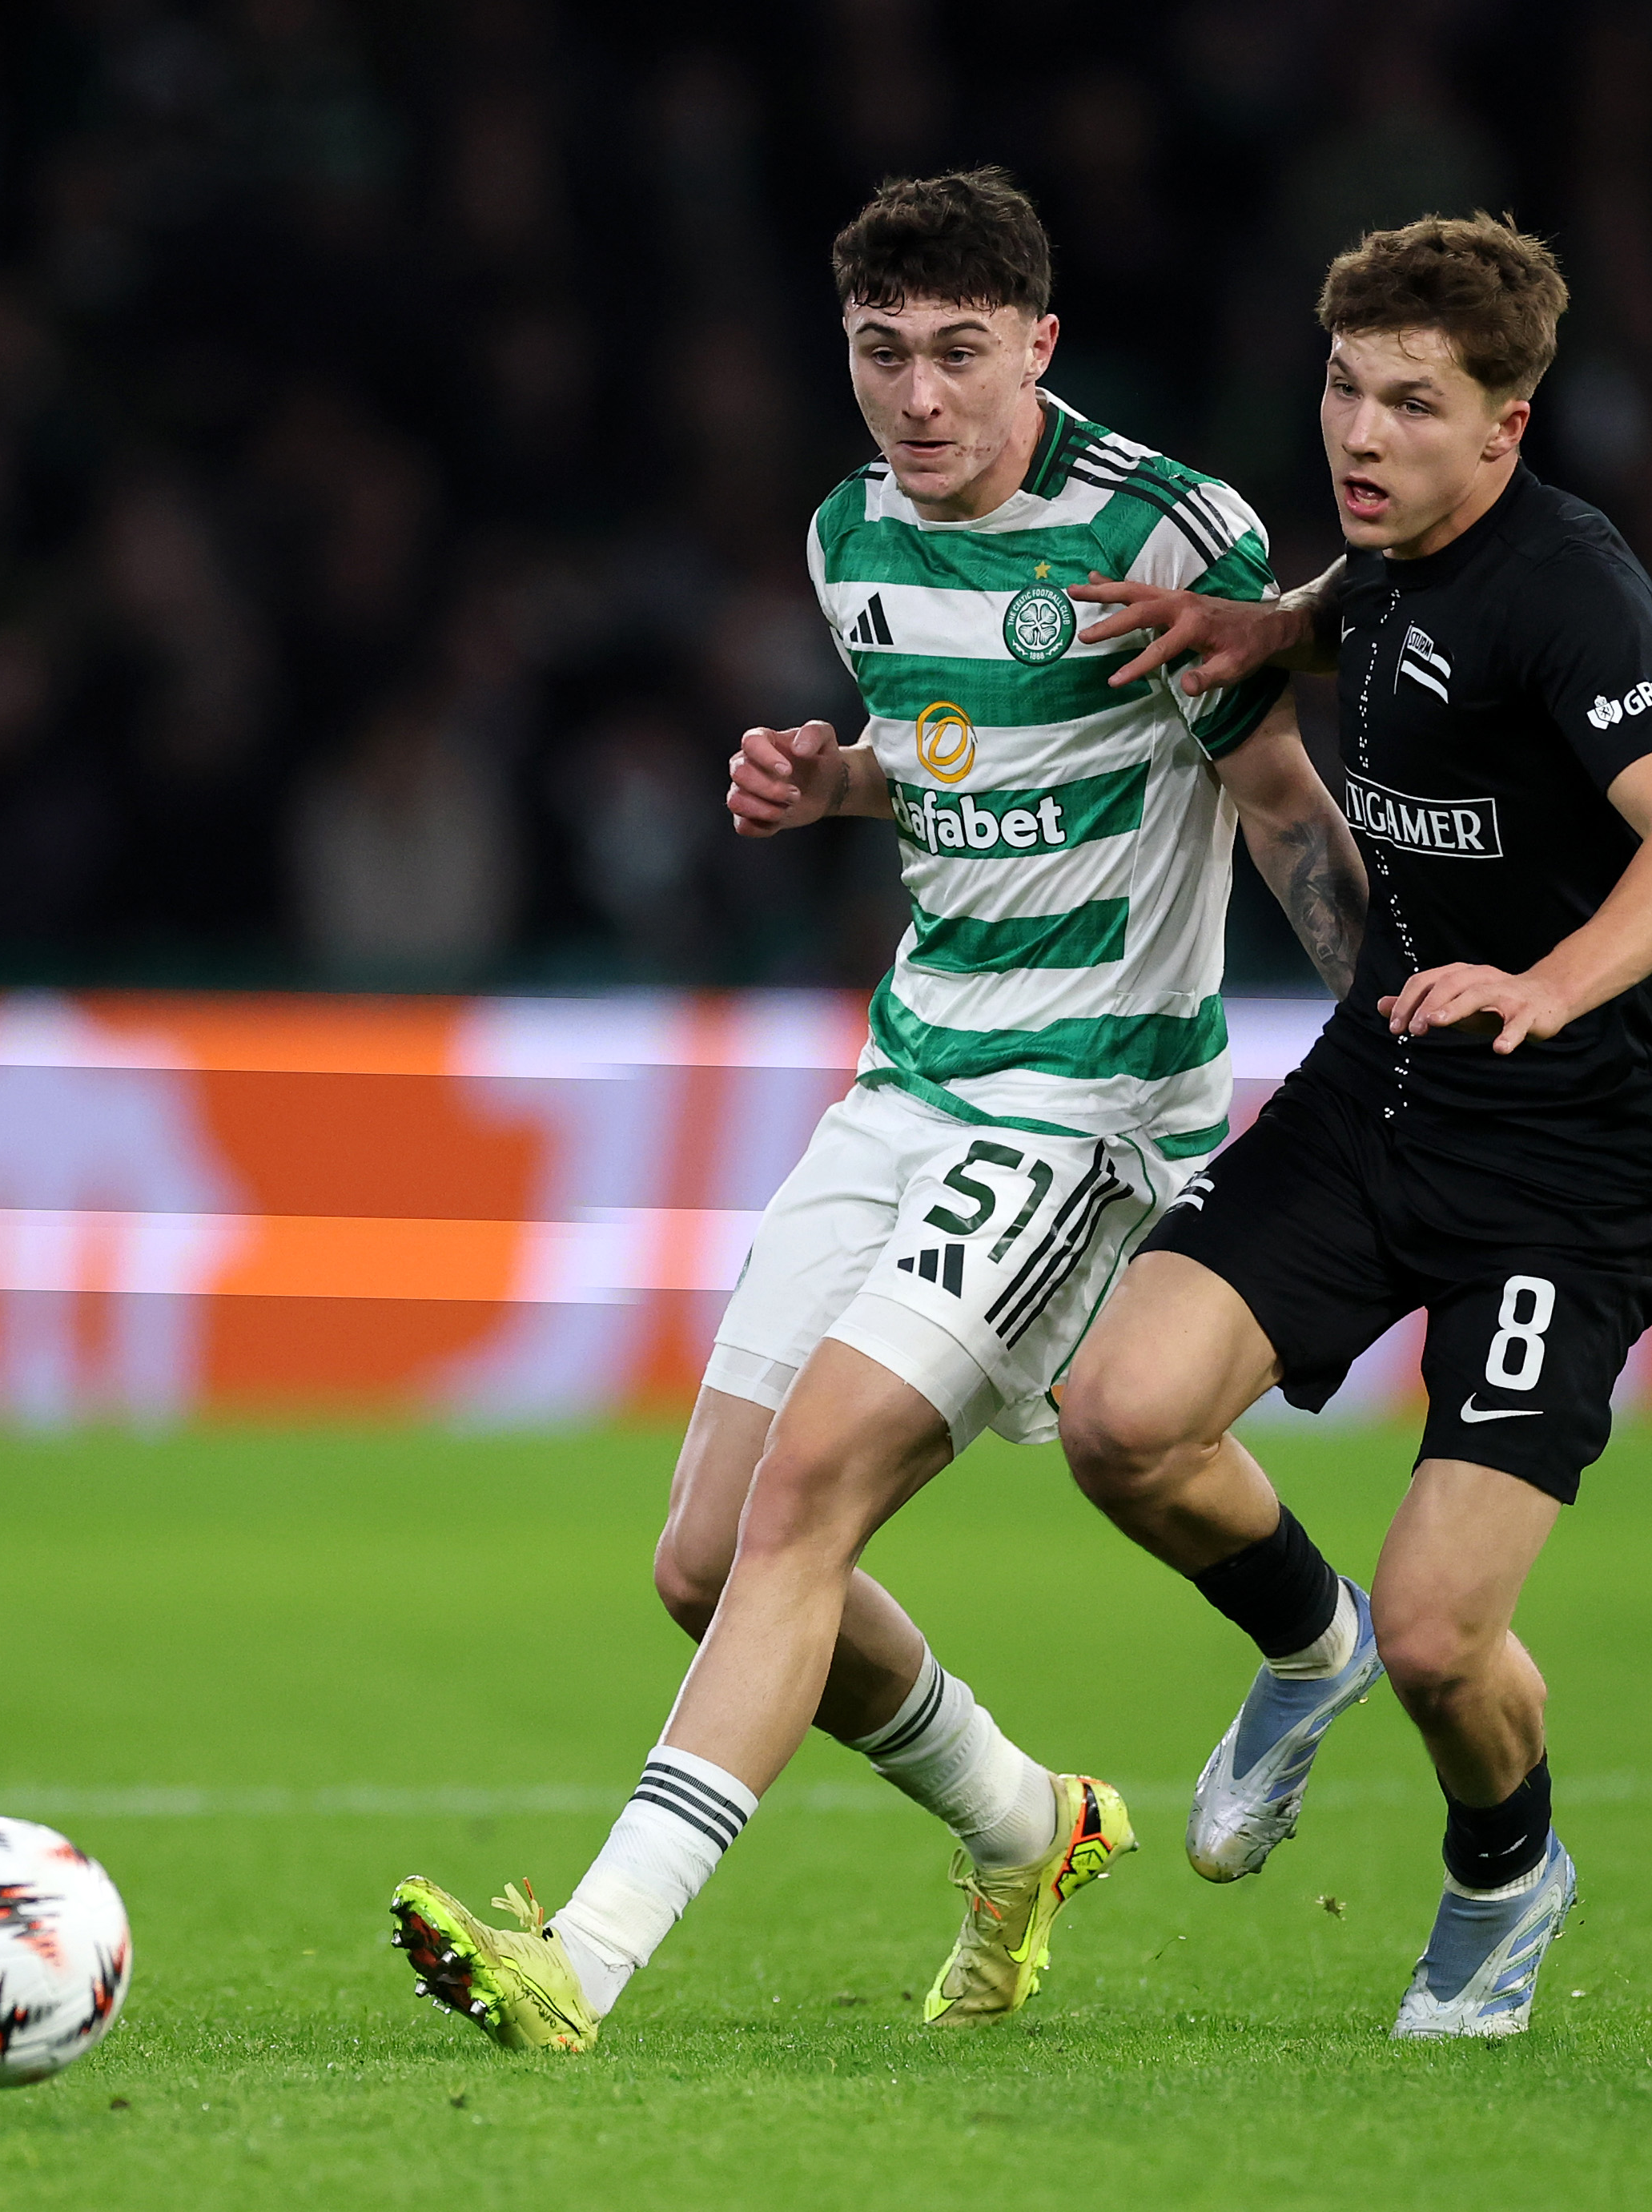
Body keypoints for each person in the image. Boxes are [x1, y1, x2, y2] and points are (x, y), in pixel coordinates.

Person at [386, 169, 1365, 2053]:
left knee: (808, 1503)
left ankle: (576, 1962)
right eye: (881, 354)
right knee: (703, 1556)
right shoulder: (851, 534)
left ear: (1040, 349)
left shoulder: (1176, 530)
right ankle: (1028, 1822)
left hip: (1084, 1108)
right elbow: (947, 765)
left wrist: (1389, 1040)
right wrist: (828, 777)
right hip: (905, 1075)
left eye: (960, 357)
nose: (918, 400)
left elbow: (1279, 808)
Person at [1052, 213, 1652, 2041]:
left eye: (1413, 405)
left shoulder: (1570, 583)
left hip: (1568, 1154)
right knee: (1118, 1416)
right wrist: (1259, 628)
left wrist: (1552, 981)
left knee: (1457, 1637)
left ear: (1506, 428)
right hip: (1389, 1082)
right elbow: (1362, 619)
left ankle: (1507, 1870)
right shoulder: (1380, 558)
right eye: (1345, 388)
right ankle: (1307, 1640)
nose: (1361, 435)